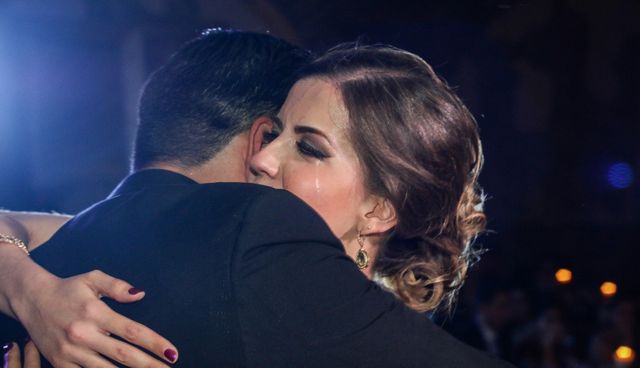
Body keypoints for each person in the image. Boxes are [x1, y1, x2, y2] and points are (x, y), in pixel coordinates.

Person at [0, 32, 511, 367]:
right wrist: (28, 287)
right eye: (275, 135)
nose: (264, 159)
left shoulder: (259, 243)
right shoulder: (249, 237)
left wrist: (25, 283)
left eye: (308, 148)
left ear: (380, 208)